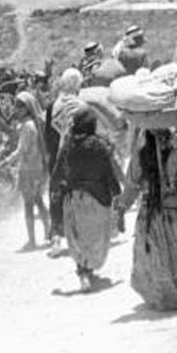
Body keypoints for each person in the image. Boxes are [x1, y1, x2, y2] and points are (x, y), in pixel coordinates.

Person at [114, 128, 177, 310]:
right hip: (173, 214)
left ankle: (160, 295)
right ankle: (176, 292)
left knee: (155, 255)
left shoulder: (139, 158)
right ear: (166, 137)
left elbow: (130, 188)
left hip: (148, 215)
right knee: (173, 254)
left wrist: (121, 210)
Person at [51, 106, 122, 291]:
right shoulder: (98, 145)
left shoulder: (68, 145)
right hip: (97, 198)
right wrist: (118, 194)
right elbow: (109, 173)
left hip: (74, 197)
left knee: (77, 236)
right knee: (95, 238)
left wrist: (54, 191)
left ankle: (83, 271)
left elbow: (57, 172)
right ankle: (87, 268)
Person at [43, 68, 86, 258]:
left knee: (56, 196)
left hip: (57, 158)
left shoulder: (52, 106)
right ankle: (80, 236)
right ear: (77, 85)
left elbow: (48, 137)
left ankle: (56, 239)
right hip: (77, 158)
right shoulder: (80, 105)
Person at [2, 91, 51, 250]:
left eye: (20, 106)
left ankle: (32, 240)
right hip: (37, 167)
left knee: (28, 205)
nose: (16, 108)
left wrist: (8, 160)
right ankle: (48, 232)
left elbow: (22, 150)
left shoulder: (27, 126)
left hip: (28, 170)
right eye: (16, 105)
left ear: (27, 108)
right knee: (38, 201)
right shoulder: (33, 124)